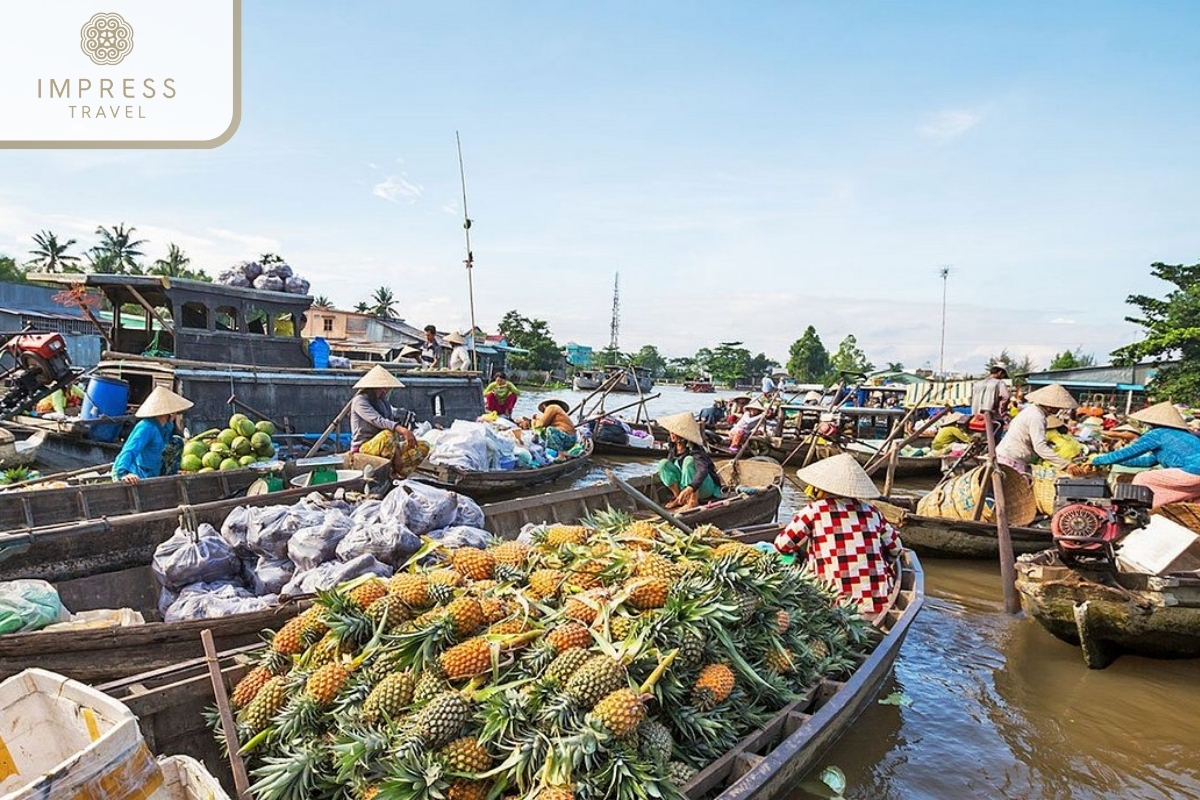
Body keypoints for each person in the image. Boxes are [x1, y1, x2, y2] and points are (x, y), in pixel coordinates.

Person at [774, 453, 903, 616]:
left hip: (832, 605)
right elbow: (896, 549)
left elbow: (782, 545)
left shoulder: (815, 510)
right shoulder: (872, 512)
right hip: (876, 605)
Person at [1090, 401, 1200, 507]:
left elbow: (1128, 452)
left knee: (1143, 477)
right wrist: (1113, 461)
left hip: (1193, 471)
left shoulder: (1157, 433)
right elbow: (1148, 461)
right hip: (1195, 474)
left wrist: (1097, 460)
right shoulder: (1183, 435)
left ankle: (1135, 510)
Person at [350, 365, 428, 478]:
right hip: (364, 448)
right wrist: (402, 430)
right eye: (383, 388)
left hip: (388, 445)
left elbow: (390, 424)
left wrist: (397, 450)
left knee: (423, 446)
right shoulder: (360, 401)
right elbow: (377, 420)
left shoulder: (383, 402)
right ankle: (391, 471)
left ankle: (399, 472)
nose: (385, 391)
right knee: (387, 435)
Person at [112, 386, 192, 484]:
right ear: (169, 413)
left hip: (154, 469)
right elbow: (130, 450)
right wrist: (123, 473)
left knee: (177, 442)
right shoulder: (146, 427)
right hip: (137, 472)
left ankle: (168, 477)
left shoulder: (168, 425)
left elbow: (167, 450)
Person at [994, 383, 1078, 475]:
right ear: (1051, 407)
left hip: (1007, 455)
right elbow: (1040, 447)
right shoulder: (1037, 417)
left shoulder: (1031, 410)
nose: (1060, 409)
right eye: (1059, 407)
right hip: (1011, 459)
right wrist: (1065, 464)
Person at [655, 412, 722, 510]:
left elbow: (702, 470)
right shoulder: (673, 444)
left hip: (702, 486)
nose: (672, 434)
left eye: (674, 432)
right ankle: (679, 499)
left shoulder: (695, 449)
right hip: (685, 485)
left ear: (682, 436)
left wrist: (691, 487)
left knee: (689, 460)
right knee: (663, 464)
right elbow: (670, 465)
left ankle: (692, 501)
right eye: (671, 432)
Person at [971, 364, 1012, 430]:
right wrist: (1002, 412)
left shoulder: (977, 384)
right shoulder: (1000, 383)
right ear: (1000, 372)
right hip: (992, 417)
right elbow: (1006, 397)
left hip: (976, 417)